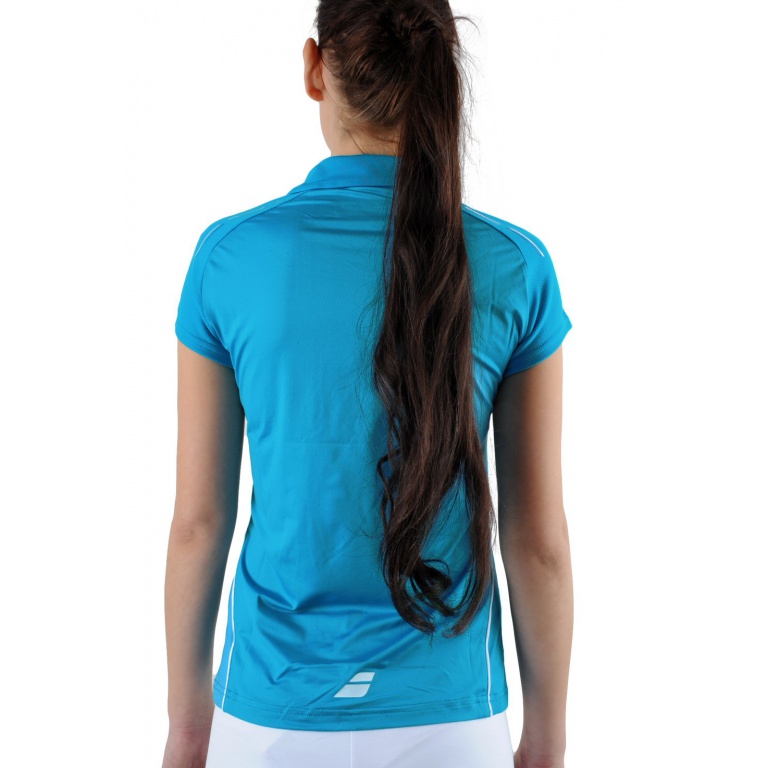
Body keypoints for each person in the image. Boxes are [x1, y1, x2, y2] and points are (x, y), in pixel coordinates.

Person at [162, 1, 574, 767]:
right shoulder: (515, 265)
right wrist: (546, 740)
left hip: (270, 719)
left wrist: (189, 729)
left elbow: (198, 522)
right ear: (442, 77)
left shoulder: (229, 258)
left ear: (315, 68)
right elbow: (537, 540)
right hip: (451, 723)